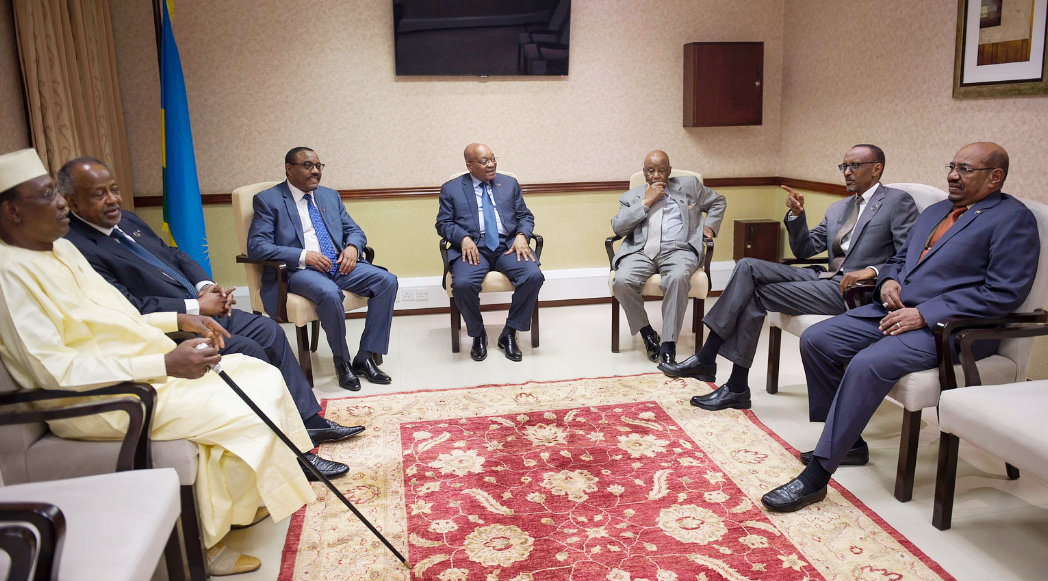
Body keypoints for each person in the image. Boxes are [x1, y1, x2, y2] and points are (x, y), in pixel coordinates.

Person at [0, 148, 324, 575]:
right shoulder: (10, 275)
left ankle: (240, 507)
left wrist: (179, 317)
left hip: (145, 361)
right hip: (105, 397)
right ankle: (203, 546)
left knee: (260, 376)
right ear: (12, 211)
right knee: (246, 403)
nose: (60, 203)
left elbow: (123, 315)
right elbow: (55, 373)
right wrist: (164, 365)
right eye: (48, 195)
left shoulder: (58, 249)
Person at [762, 142, 1039, 513]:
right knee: (817, 339)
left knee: (866, 363)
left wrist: (926, 314)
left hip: (952, 328)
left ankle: (816, 477)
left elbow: (1003, 293)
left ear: (995, 177)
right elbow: (898, 259)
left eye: (965, 169)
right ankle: (851, 444)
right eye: (952, 165)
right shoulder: (938, 211)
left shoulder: (1012, 219)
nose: (952, 175)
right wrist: (889, 280)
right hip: (894, 308)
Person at [58, 157, 364, 455]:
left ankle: (309, 421)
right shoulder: (76, 248)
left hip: (204, 308)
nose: (113, 200)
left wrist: (206, 287)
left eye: (115, 189)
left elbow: (174, 255)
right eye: (100, 194)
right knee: (250, 351)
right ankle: (289, 449)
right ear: (71, 203)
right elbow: (128, 304)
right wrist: (195, 306)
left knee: (269, 331)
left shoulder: (127, 219)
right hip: (170, 326)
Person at [660, 144, 919, 412]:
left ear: (876, 169)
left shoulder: (897, 202)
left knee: (753, 294)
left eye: (855, 166)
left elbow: (909, 254)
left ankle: (720, 371)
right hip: (823, 276)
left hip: (855, 290)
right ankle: (723, 375)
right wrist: (796, 215)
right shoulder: (838, 208)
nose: (847, 173)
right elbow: (805, 249)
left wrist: (874, 271)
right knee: (747, 265)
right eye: (844, 166)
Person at [248, 147, 398, 390]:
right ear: (289, 169)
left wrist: (351, 247)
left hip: (338, 264)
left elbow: (354, 230)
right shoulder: (269, 200)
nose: (315, 171)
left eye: (319, 166)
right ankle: (342, 362)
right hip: (298, 271)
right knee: (329, 293)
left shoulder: (329, 196)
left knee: (387, 281)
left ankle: (365, 357)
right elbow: (257, 247)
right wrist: (304, 256)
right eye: (308, 166)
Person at [610, 150, 726, 364]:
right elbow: (618, 226)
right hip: (641, 251)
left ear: (669, 171)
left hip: (679, 249)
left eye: (661, 171)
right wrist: (646, 201)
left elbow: (718, 201)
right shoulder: (631, 197)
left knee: (677, 277)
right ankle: (647, 333)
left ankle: (669, 343)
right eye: (651, 171)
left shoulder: (689, 186)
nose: (655, 175)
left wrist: (709, 226)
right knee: (622, 281)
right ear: (644, 172)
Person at [435, 143, 544, 362]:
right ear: (469, 165)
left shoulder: (509, 184)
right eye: (484, 161)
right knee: (463, 285)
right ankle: (478, 334)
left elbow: (525, 216)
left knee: (533, 276)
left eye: (493, 159)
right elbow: (443, 223)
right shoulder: (451, 189)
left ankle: (510, 333)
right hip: (473, 248)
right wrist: (463, 238)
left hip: (508, 245)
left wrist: (522, 235)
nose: (491, 164)